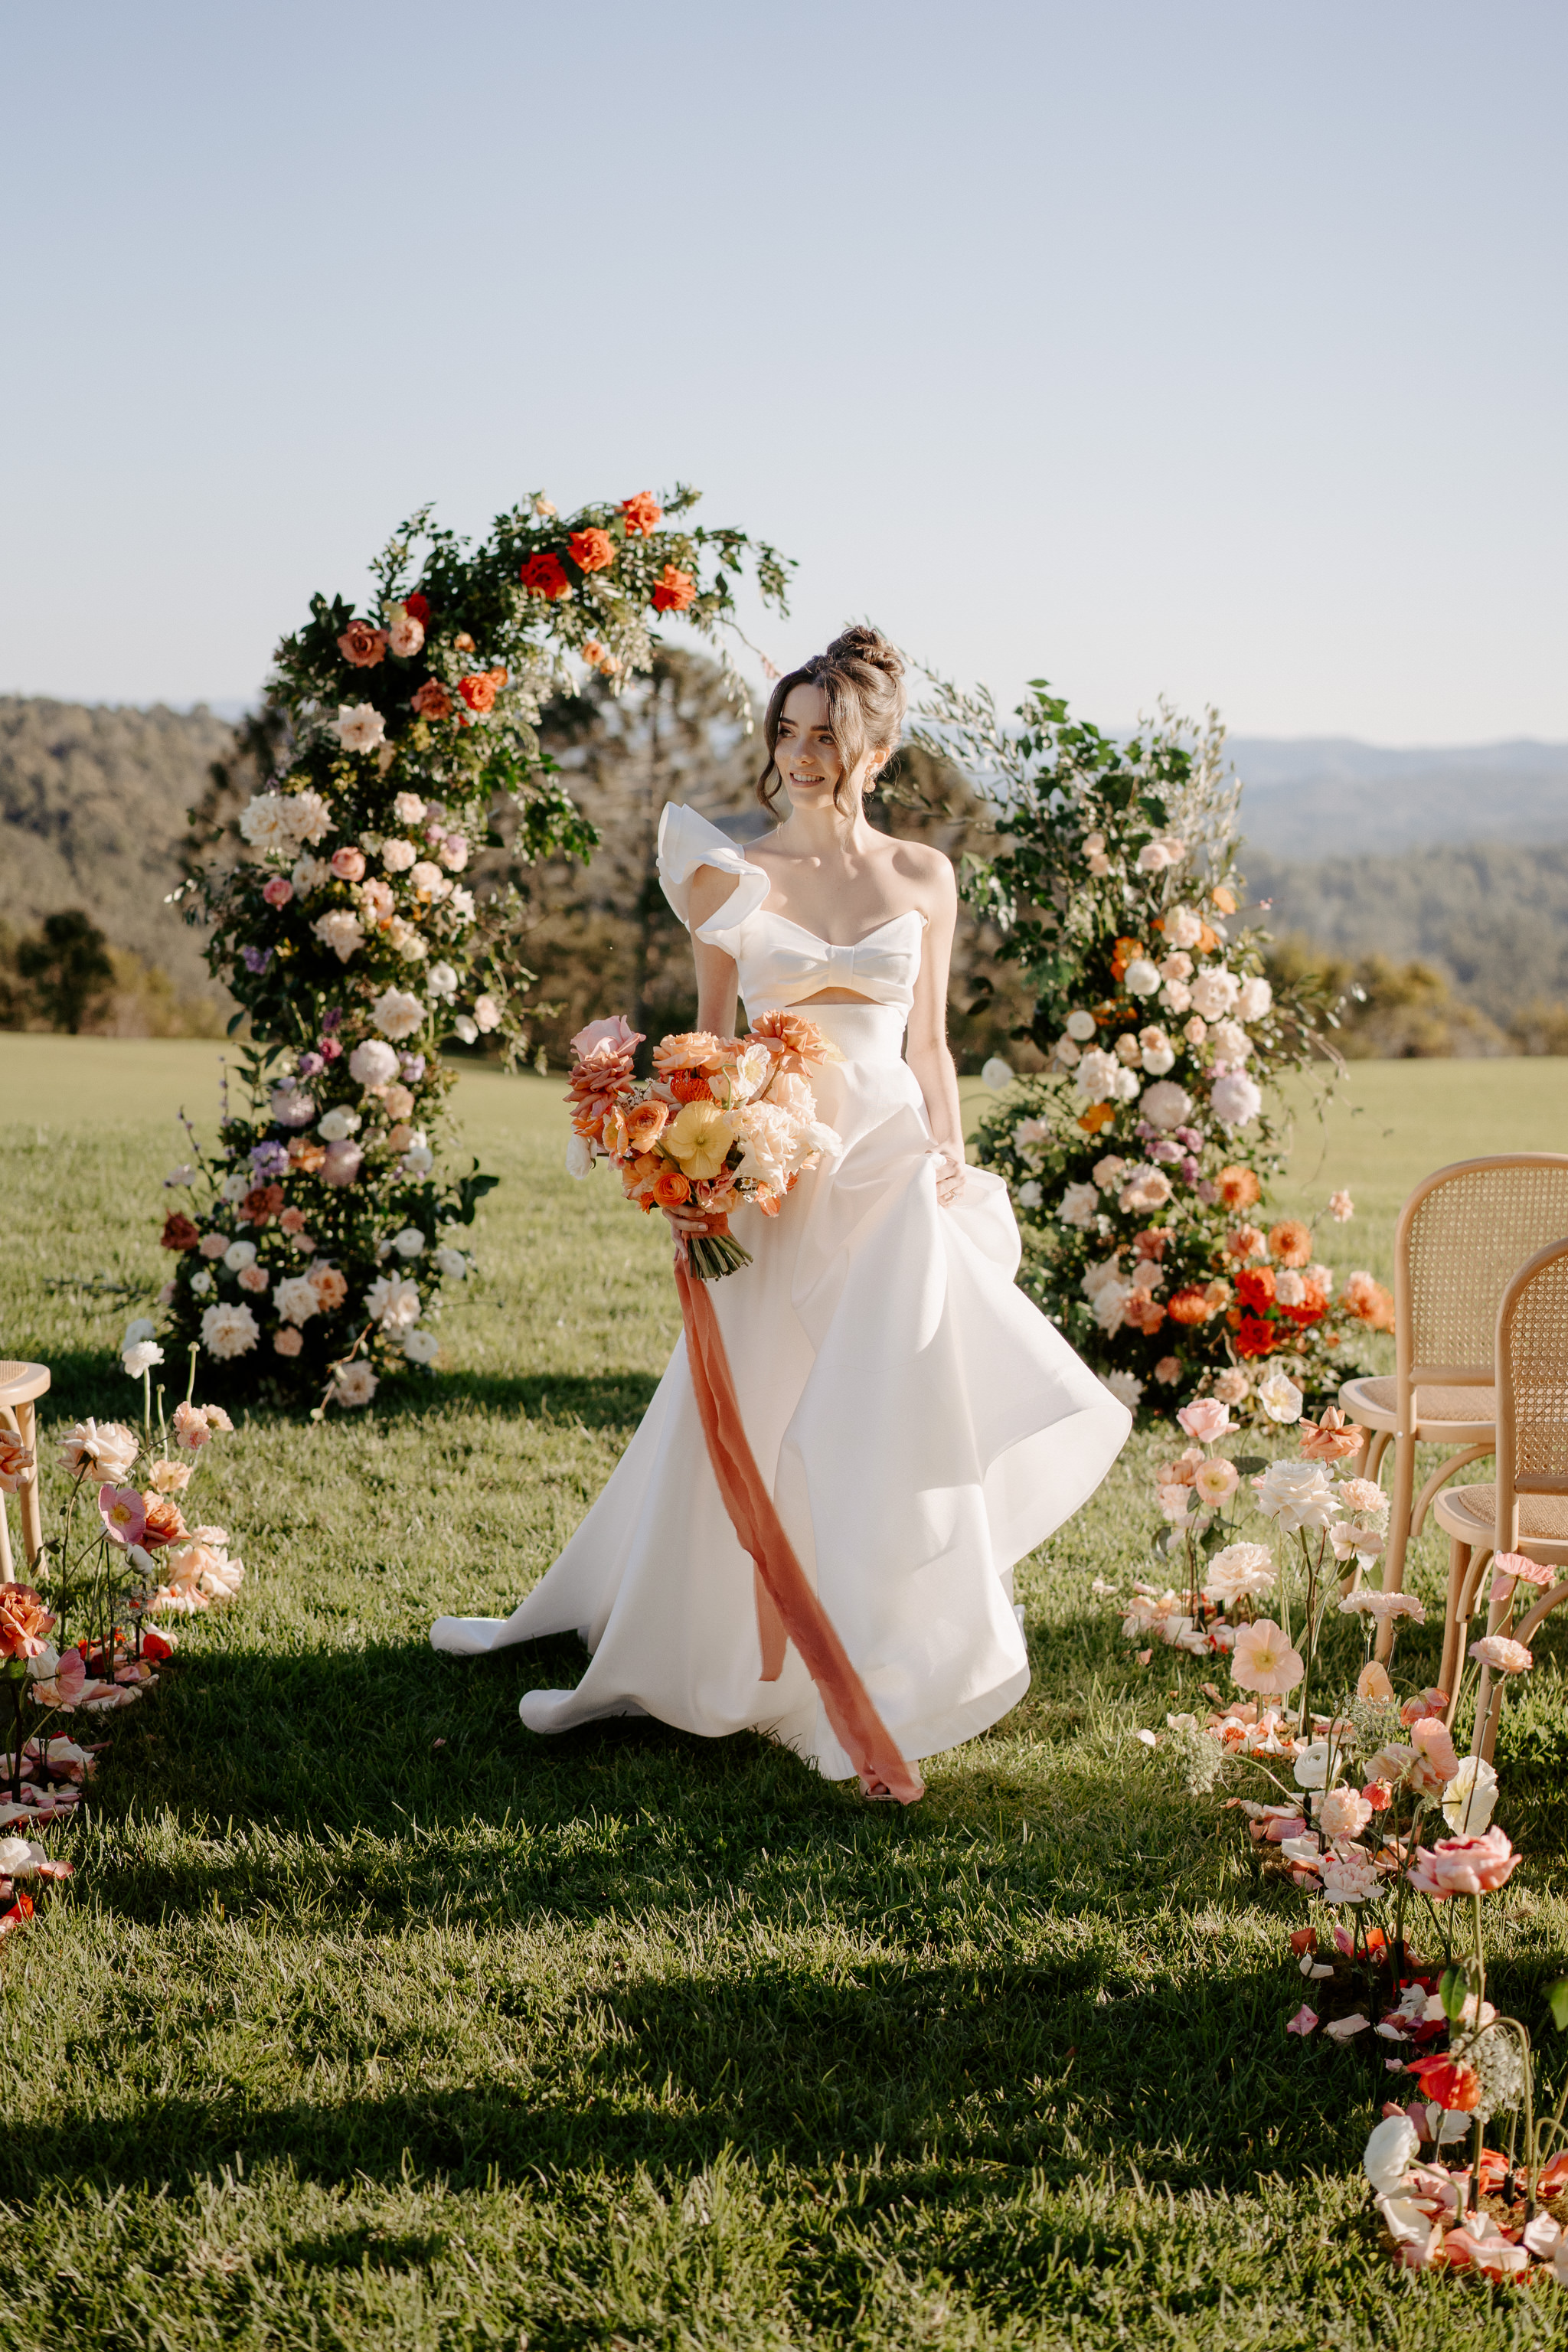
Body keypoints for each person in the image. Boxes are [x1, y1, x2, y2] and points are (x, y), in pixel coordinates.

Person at [431, 626, 1130, 1792]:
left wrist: (951, 1154)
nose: (803, 757)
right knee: (759, 1399)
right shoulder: (728, 876)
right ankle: (689, 1642)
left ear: (879, 747)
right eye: (789, 735)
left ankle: (890, 1649)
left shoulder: (924, 876)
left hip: (895, 1168)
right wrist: (691, 1162)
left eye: (828, 737)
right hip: (781, 1169)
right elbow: (706, 1040)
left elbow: (933, 1043)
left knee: (888, 1403)